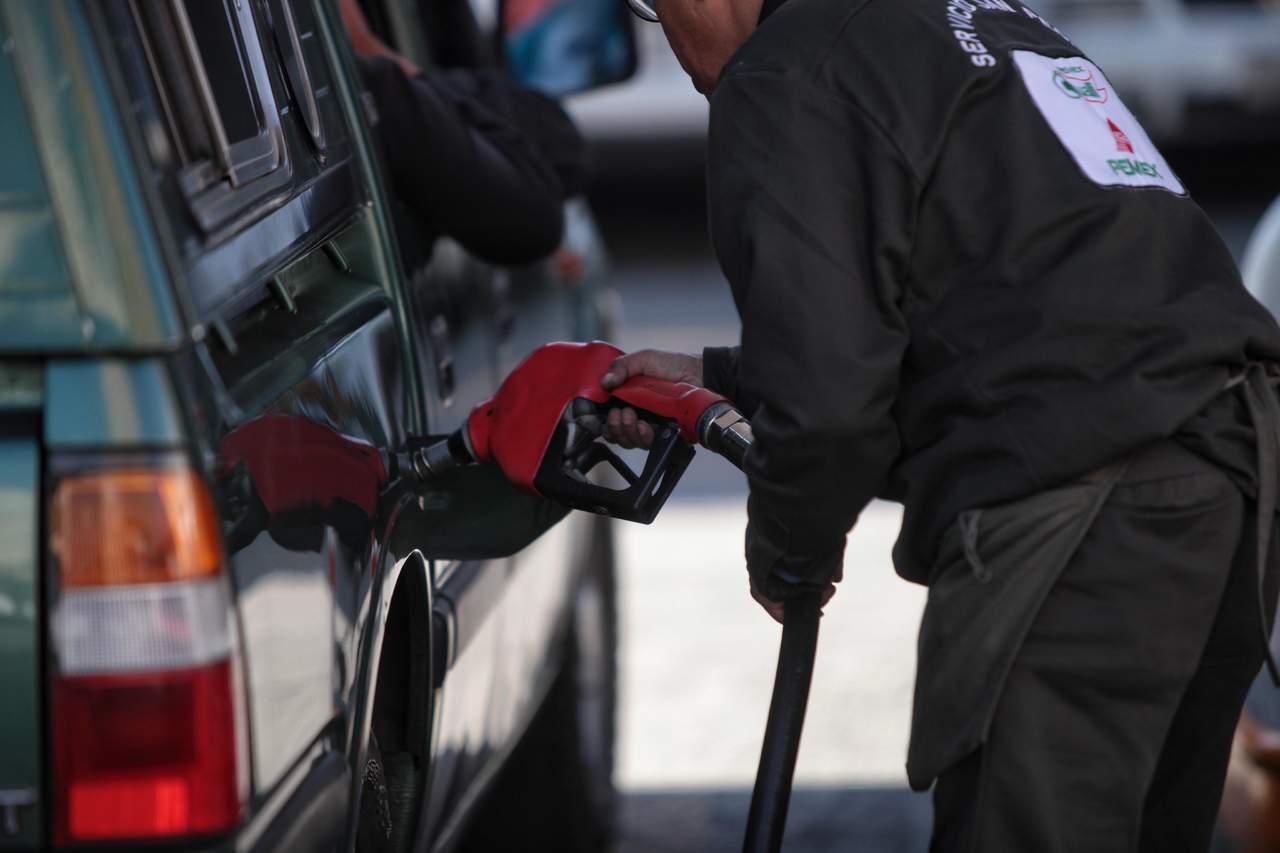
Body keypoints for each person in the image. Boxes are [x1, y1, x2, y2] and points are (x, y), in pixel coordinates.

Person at [601, 0, 1280, 849]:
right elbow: (999, 294)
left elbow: (826, 411)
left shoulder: (784, 70)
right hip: (1231, 478)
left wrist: (788, 552)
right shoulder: (979, 21)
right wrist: (723, 379)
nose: (680, 53)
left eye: (659, 14)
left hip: (1088, 508)